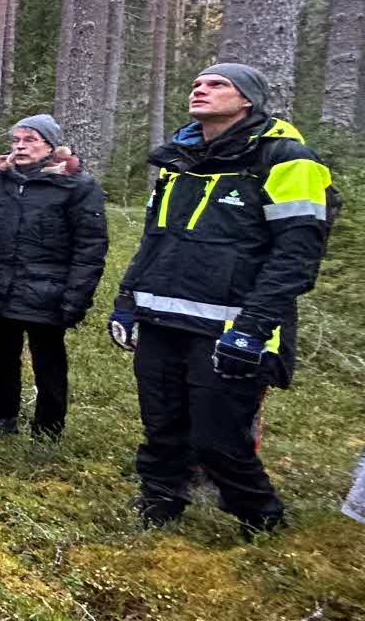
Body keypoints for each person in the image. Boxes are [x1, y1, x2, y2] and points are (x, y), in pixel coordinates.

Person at [108, 63, 335, 536]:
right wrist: (127, 298)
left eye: (217, 85)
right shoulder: (179, 159)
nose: (201, 90)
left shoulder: (289, 159)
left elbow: (296, 256)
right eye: (196, 84)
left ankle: (262, 522)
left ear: (247, 99)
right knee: (162, 426)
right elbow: (156, 239)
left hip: (231, 328)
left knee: (218, 440)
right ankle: (159, 509)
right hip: (162, 317)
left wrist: (252, 328)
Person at [0, 114, 108, 441]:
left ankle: (48, 429)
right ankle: (3, 419)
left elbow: (90, 246)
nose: (21, 147)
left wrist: (76, 297)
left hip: (48, 292)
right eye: (16, 141)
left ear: (51, 146)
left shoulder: (76, 185)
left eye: (30, 140)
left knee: (48, 363)